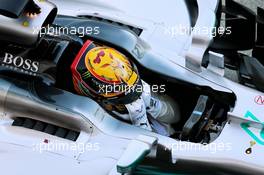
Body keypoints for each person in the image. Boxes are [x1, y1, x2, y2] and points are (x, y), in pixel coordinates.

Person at [70, 40, 180, 136]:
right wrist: (141, 123)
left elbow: (177, 117)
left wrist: (153, 105)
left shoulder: (133, 85)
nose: (136, 98)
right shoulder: (90, 118)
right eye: (123, 100)